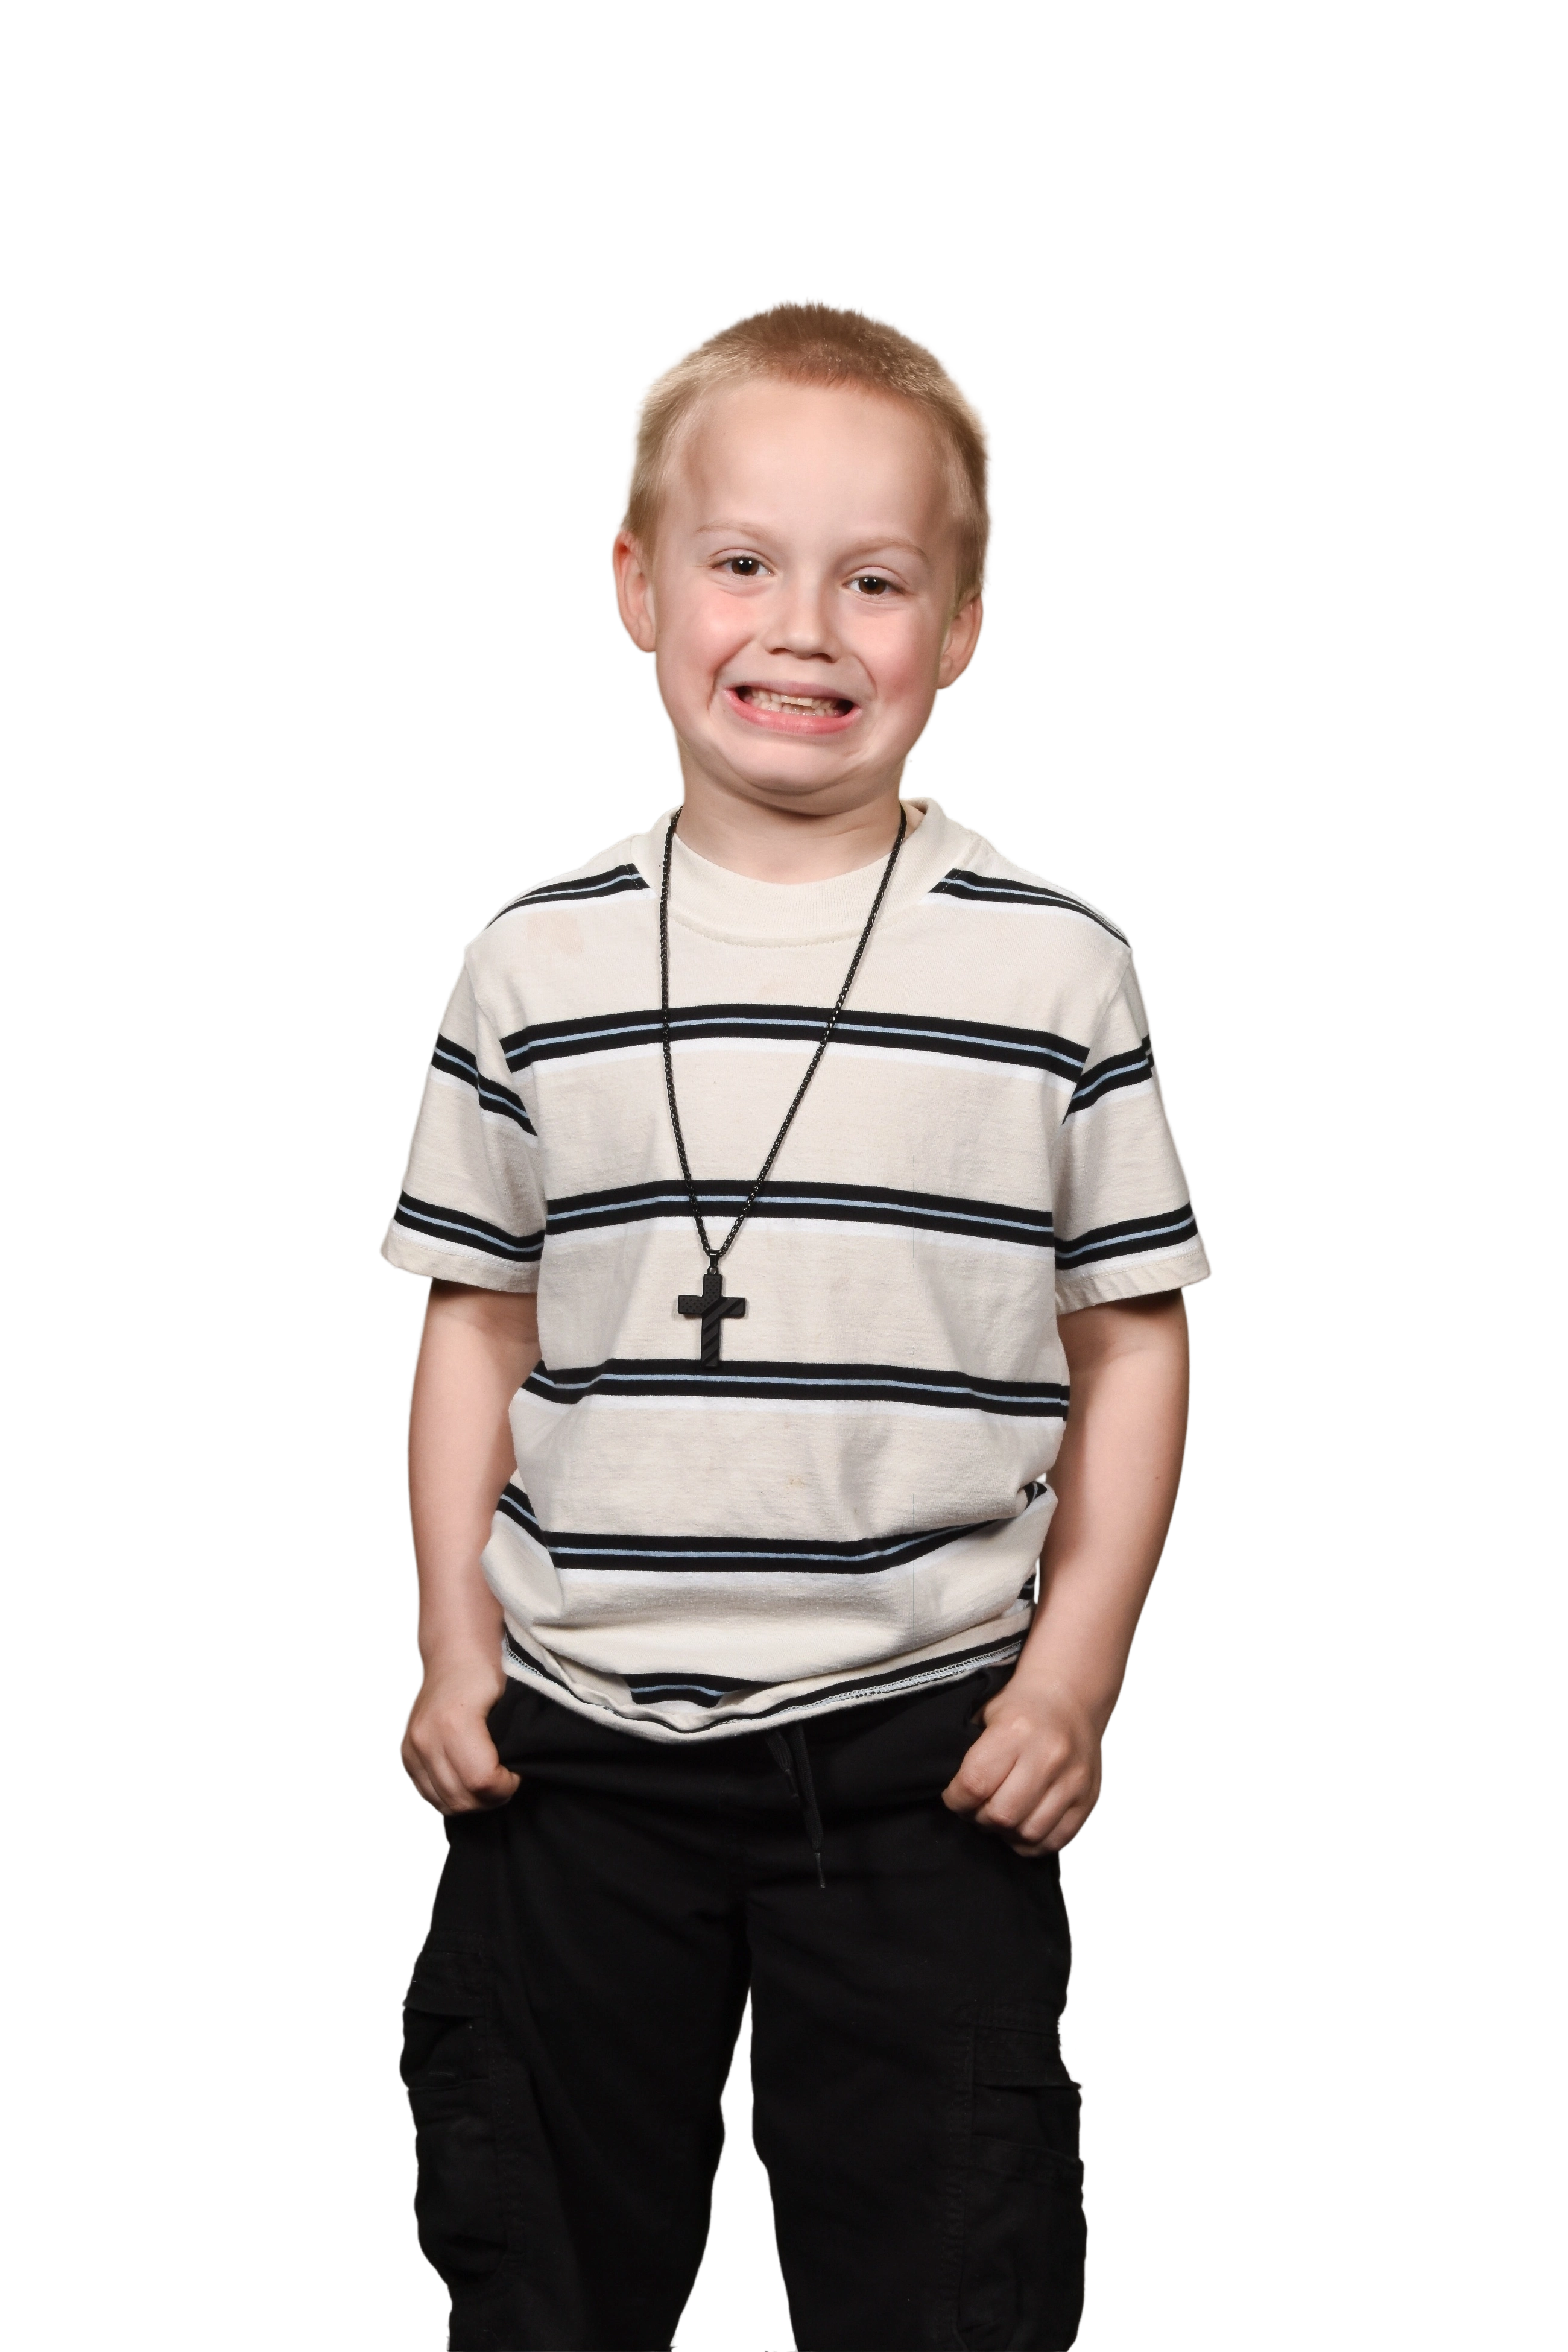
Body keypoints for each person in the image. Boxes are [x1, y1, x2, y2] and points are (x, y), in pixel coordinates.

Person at [378, 294, 1213, 2352]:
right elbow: (478, 1319)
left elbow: (1132, 1341)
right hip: (573, 1750)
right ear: (637, 583)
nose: (803, 629)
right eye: (744, 560)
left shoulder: (1053, 970)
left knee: (948, 2282)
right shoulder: (530, 964)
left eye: (877, 579)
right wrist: (459, 1642)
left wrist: (1075, 1680)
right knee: (541, 2275)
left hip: (932, 1750)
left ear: (967, 622)